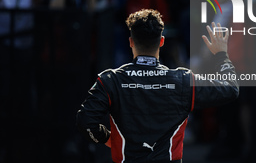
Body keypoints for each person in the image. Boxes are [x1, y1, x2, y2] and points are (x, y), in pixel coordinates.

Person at [76, 9, 239, 163]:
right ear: (161, 41)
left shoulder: (110, 80)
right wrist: (221, 55)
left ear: (131, 42)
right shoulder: (182, 80)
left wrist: (107, 139)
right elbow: (230, 88)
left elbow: (85, 120)